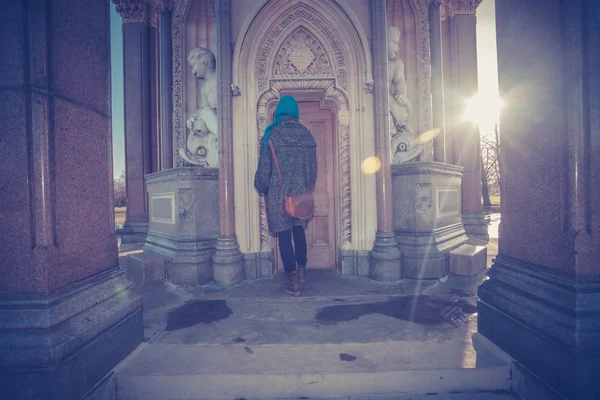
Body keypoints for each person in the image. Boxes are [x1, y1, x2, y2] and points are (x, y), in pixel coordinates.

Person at [254, 96, 317, 297]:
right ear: (295, 112)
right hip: (300, 197)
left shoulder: (270, 135)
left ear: (279, 111)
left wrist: (261, 186)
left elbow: (264, 173)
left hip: (277, 196)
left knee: (283, 237)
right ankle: (303, 272)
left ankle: (293, 282)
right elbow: (313, 172)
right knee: (299, 232)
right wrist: (305, 189)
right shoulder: (307, 135)